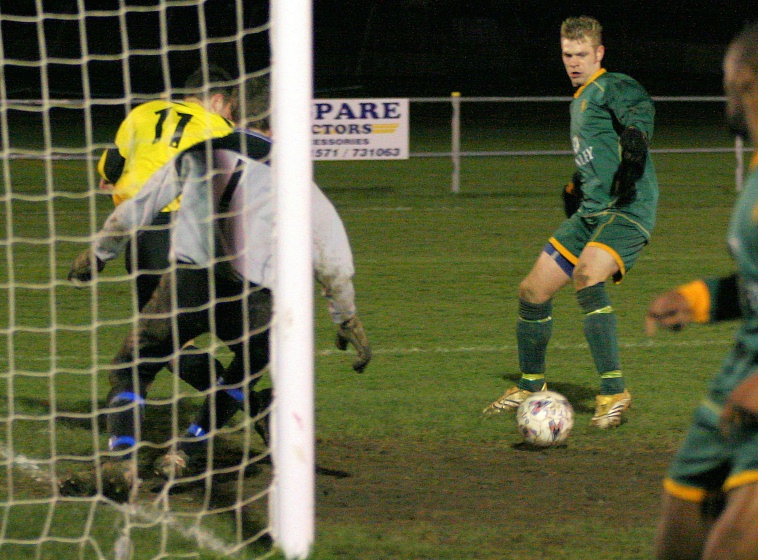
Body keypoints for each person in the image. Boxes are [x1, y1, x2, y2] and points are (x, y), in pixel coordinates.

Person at [67, 76, 372, 501]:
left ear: (236, 115)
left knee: (133, 364)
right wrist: (346, 317)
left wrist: (98, 255)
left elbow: (136, 209)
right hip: (254, 297)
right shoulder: (294, 176)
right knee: (247, 367)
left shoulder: (196, 154)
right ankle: (186, 451)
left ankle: (121, 459)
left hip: (187, 285)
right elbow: (333, 258)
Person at [483, 15, 659, 429]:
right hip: (591, 212)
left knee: (587, 276)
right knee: (532, 291)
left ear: (599, 52)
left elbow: (639, 110)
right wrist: (577, 183)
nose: (574, 62)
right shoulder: (580, 99)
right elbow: (596, 151)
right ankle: (529, 385)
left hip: (628, 207)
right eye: (567, 54)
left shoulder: (609, 84)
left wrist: (635, 147)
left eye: (582, 54)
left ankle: (614, 392)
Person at [646, 23, 758, 560]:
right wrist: (693, 299)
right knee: (681, 511)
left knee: (731, 545)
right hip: (738, 374)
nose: (726, 100)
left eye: (728, 84)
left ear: (748, 82)